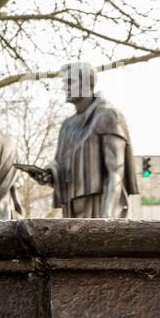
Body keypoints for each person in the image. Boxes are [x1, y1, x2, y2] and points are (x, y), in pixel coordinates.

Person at [17, 62, 138, 218]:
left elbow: (115, 172)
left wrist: (106, 218)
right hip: (71, 209)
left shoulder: (108, 116)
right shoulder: (67, 126)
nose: (64, 87)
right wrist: (47, 175)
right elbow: (60, 168)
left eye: (69, 82)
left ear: (86, 82)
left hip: (98, 207)